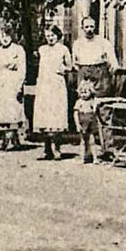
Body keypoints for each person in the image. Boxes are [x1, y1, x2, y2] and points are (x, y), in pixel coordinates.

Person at [71, 16, 120, 164]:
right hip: (85, 74)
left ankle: (108, 149)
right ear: (82, 28)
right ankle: (87, 150)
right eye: (86, 27)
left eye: (92, 26)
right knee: (84, 112)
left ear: (95, 27)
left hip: (101, 75)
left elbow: (113, 62)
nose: (89, 29)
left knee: (104, 112)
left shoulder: (103, 42)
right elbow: (75, 63)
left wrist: (108, 74)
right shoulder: (77, 44)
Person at [30, 25, 73, 160]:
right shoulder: (42, 49)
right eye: (48, 36)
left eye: (52, 35)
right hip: (44, 85)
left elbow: (70, 66)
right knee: (44, 117)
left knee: (56, 117)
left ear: (58, 35)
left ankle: (57, 149)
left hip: (57, 85)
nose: (50, 38)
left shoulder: (63, 49)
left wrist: (63, 69)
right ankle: (46, 149)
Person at [0, 27, 27, 151]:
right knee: (1, 112)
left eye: (7, 36)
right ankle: (5, 140)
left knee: (12, 111)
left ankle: (12, 139)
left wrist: (19, 86)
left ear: (12, 37)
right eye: (2, 36)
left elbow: (22, 69)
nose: (4, 39)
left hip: (12, 84)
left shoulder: (18, 50)